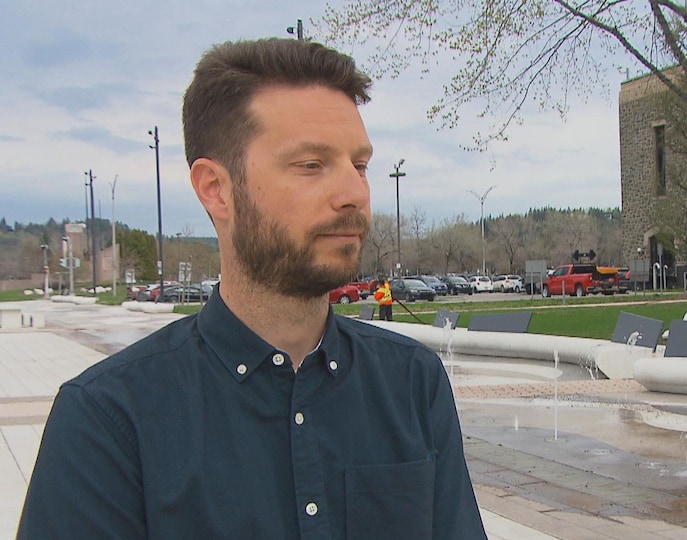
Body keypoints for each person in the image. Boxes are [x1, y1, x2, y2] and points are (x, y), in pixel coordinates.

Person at [18, 38, 486, 540]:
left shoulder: (412, 384)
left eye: (360, 165)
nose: (353, 193)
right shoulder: (110, 420)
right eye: (311, 165)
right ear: (216, 189)